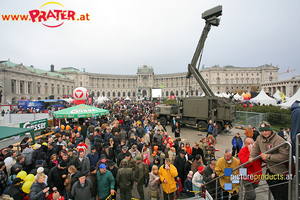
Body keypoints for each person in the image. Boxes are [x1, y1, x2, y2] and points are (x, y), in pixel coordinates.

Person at [249, 121, 289, 200]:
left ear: (270, 130)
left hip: (281, 172)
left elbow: (285, 156)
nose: (264, 133)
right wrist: (252, 156)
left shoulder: (279, 140)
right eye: (262, 131)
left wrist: (268, 157)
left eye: (266, 130)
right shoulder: (260, 138)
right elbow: (256, 148)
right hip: (270, 169)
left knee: (281, 195)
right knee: (274, 192)